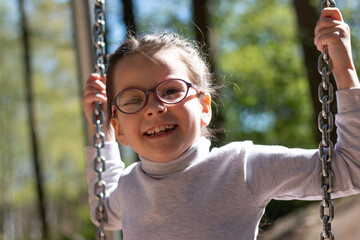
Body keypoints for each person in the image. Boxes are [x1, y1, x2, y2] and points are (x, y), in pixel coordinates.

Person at [82, 8, 360, 240]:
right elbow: (102, 213)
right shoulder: (130, 187)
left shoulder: (241, 167)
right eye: (132, 100)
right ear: (119, 129)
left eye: (170, 91)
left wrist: (344, 71)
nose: (155, 107)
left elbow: (351, 170)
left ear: (204, 108)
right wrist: (100, 133)